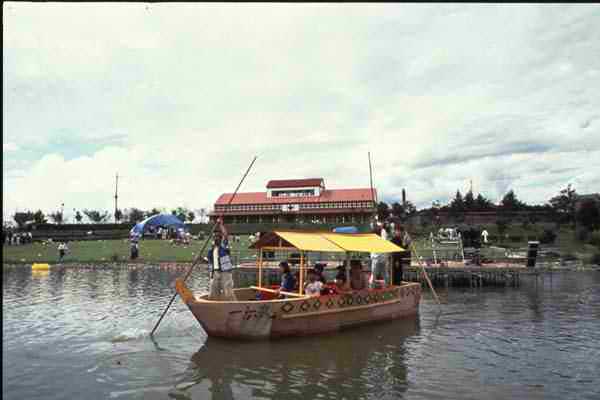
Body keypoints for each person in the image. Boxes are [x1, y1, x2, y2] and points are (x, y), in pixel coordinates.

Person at [207, 217, 235, 301]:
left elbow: (225, 235)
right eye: (215, 237)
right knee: (213, 292)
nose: (216, 238)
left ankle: (233, 305)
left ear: (220, 239)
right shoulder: (211, 251)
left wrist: (220, 224)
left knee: (228, 292)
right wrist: (199, 258)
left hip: (225, 272)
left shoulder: (224, 247)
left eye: (218, 237)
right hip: (215, 273)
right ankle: (214, 306)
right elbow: (208, 261)